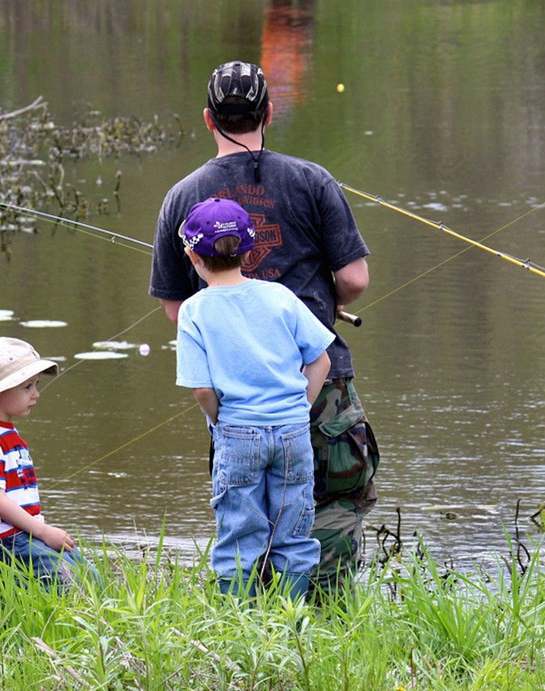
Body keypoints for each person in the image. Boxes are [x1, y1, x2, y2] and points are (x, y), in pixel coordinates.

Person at [150, 60, 379, 596]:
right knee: (330, 506)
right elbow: (354, 278)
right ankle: (320, 622)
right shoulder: (312, 179)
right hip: (318, 380)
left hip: (237, 397)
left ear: (209, 119)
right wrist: (320, 305)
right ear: (269, 113)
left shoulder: (182, 198)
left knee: (245, 513)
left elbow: (174, 309)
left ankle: (250, 626)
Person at [175, 197, 334, 600]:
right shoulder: (280, 296)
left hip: (237, 432)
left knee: (239, 535)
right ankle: (293, 624)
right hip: (293, 433)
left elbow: (201, 389)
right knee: (294, 531)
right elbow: (321, 361)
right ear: (249, 250)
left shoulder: (193, 311)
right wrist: (300, 408)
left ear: (193, 256)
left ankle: (238, 626)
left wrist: (220, 419)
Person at [0, 337, 96, 589]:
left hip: (23, 535)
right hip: (6, 542)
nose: (36, 394)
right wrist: (43, 532)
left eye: (36, 385)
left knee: (90, 574)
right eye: (27, 387)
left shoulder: (6, 434)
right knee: (71, 581)